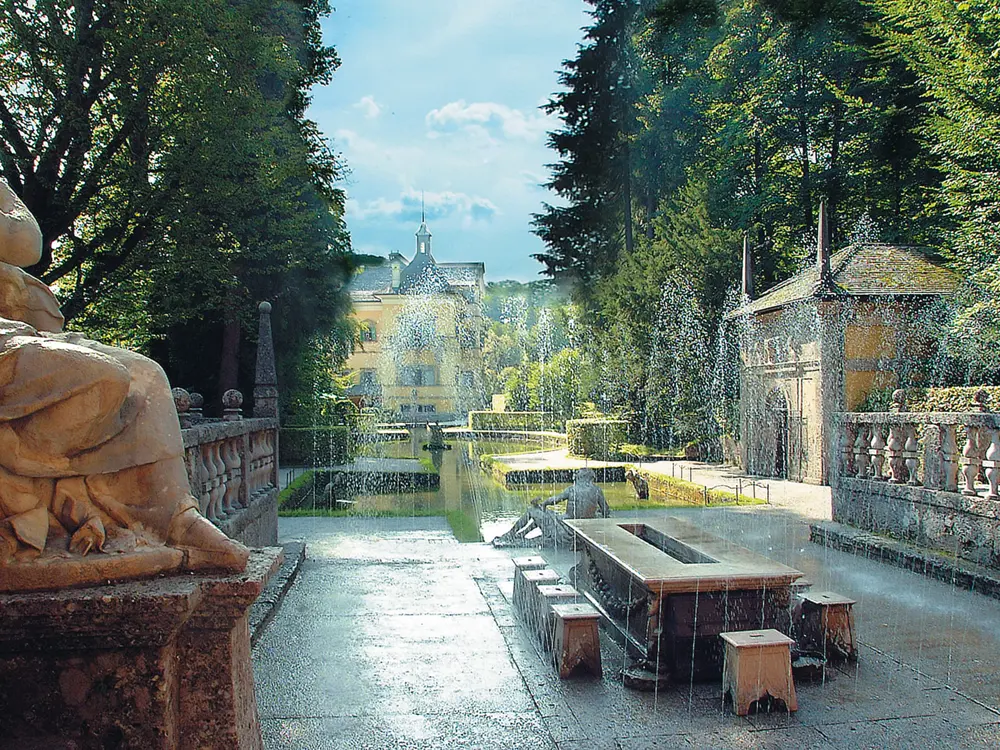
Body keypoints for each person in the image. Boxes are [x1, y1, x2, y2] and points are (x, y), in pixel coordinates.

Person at [0, 180, 248, 574]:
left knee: (146, 377)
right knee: (104, 379)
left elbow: (27, 243)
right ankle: (52, 480)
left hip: (16, 328)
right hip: (8, 338)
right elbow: (22, 240)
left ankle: (176, 518)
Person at [492, 468, 610, 548]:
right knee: (545, 514)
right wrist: (595, 513)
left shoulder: (572, 490)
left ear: (580, 477)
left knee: (532, 511)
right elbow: (606, 511)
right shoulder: (597, 490)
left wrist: (544, 504)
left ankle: (511, 534)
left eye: (576, 475)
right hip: (580, 532)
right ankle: (521, 534)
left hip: (565, 530)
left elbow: (555, 500)